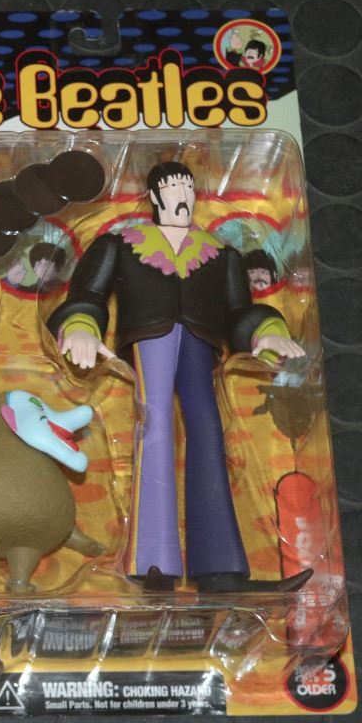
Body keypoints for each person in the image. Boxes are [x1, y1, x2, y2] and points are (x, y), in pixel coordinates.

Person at [47, 161, 311, 594]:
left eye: (188, 188)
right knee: (154, 430)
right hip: (148, 339)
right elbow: (88, 294)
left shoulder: (220, 255)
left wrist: (266, 332)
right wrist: (80, 328)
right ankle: (152, 562)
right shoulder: (121, 244)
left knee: (208, 431)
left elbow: (239, 312)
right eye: (173, 188)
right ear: (155, 196)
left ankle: (220, 569)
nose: (182, 196)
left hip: (202, 344)